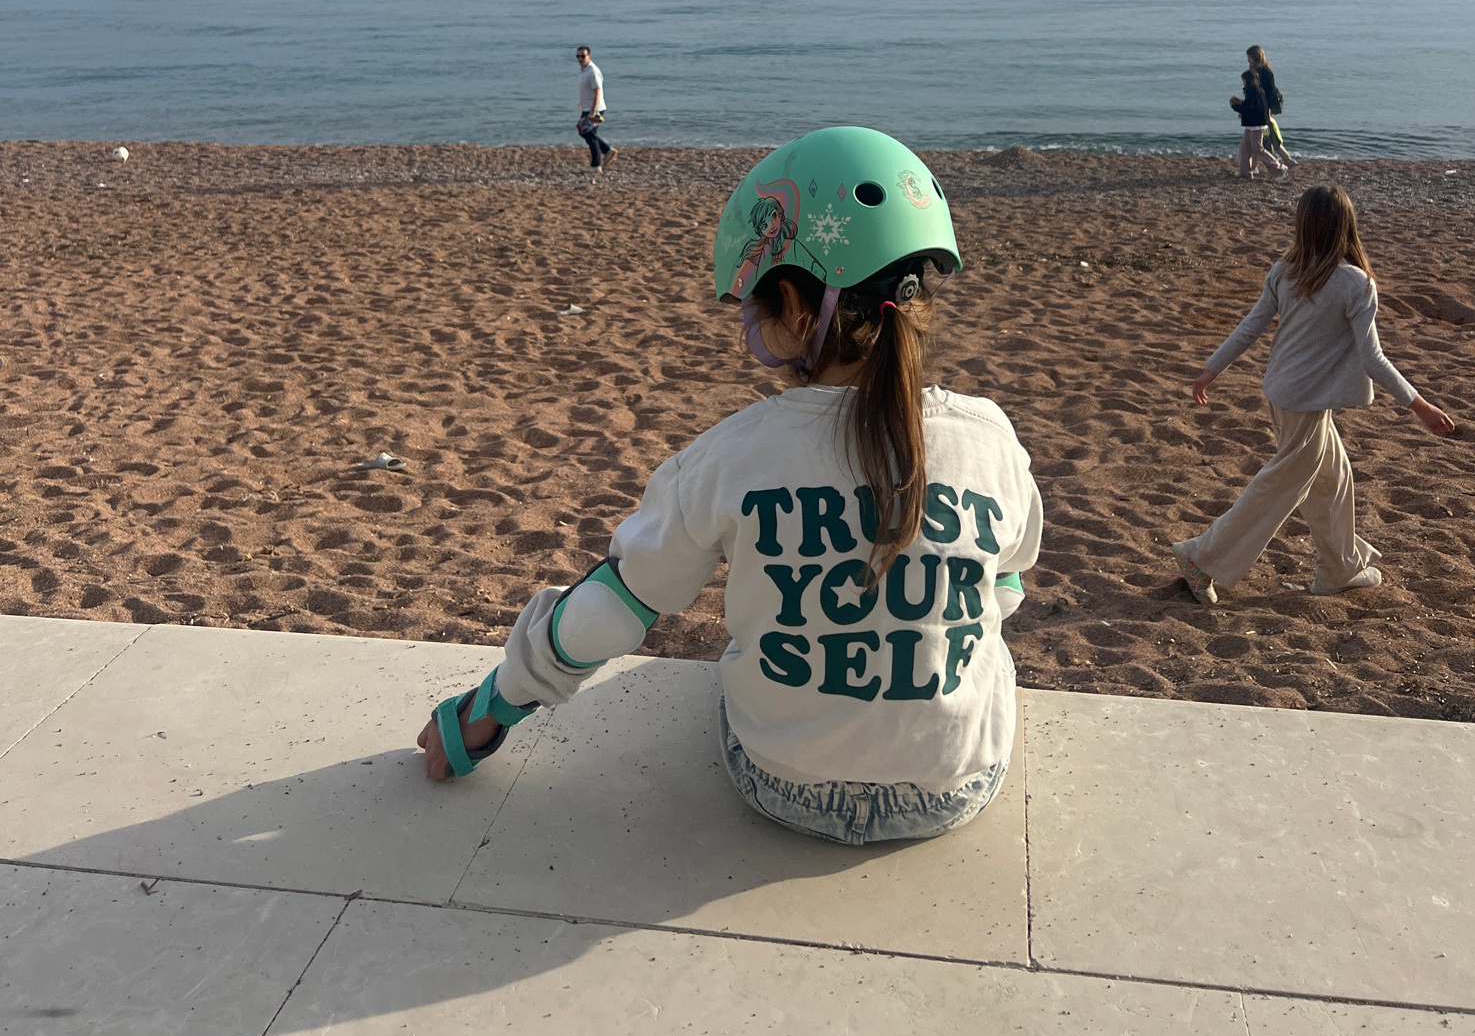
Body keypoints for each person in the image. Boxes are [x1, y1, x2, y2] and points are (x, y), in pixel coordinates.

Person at [416, 127, 1044, 847]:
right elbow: (1007, 581)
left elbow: (613, 608)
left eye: (755, 303)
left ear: (795, 305)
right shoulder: (990, 438)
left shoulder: (730, 455)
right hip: (953, 787)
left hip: (782, 786)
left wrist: (492, 707)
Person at [1171, 185, 1455, 606]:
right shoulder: (1355, 283)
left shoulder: (1285, 271)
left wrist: (1211, 370)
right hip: (1304, 401)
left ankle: (1339, 569)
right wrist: (1420, 406)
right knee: (1279, 485)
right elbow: (1373, 359)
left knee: (1333, 480)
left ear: (1302, 225)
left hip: (1283, 393)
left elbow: (1249, 329)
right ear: (1347, 227)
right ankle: (1201, 557)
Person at [1229, 66, 1287, 179]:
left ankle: (1279, 168)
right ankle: (1245, 172)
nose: (1243, 83)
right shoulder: (1258, 91)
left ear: (1249, 81)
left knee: (1257, 149)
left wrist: (1234, 106)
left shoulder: (1253, 92)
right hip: (1253, 124)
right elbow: (1252, 107)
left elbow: (1248, 108)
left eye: (1244, 81)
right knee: (1245, 147)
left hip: (1256, 124)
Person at [574, 44, 615, 172]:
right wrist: (581, 103)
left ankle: (596, 165)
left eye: (583, 56)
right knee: (586, 133)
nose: (580, 59)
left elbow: (598, 91)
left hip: (594, 108)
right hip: (587, 107)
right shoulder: (584, 70)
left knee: (589, 134)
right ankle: (607, 150)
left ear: (589, 56)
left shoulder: (593, 71)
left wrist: (593, 111)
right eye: (578, 56)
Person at [1247, 45, 1290, 164]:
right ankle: (1253, 166)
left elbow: (1269, 93)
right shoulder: (1254, 71)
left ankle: (1286, 159)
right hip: (1257, 107)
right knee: (1258, 137)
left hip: (1262, 108)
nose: (1248, 60)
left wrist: (1268, 109)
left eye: (1249, 57)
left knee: (1258, 137)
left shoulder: (1266, 73)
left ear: (1255, 57)